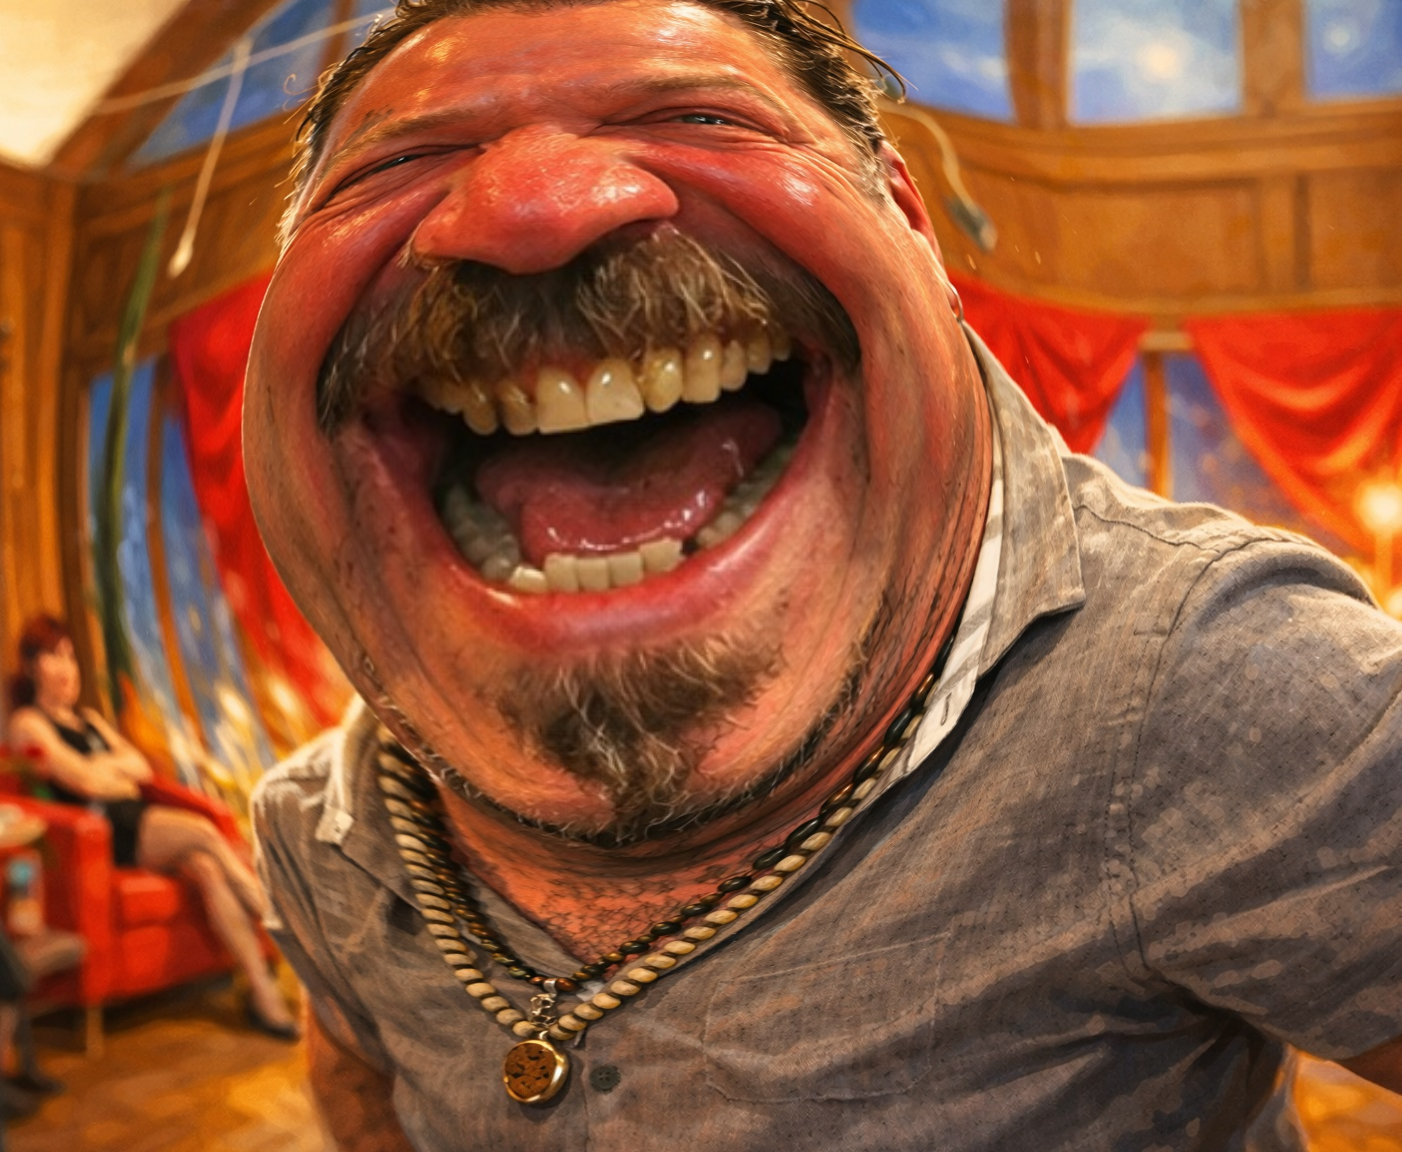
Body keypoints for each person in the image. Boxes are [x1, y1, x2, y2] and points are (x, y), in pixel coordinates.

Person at [243, 0, 1402, 1147]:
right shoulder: (318, 828)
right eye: (396, 164)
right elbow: (361, 1080)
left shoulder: (1225, 689)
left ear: (910, 226)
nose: (533, 206)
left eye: (698, 116)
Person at [5, 616, 297, 1039]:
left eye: (70, 656)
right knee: (204, 833)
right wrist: (107, 772)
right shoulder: (28, 723)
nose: (66, 667)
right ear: (32, 666)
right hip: (104, 833)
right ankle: (276, 917)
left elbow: (139, 768)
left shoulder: (89, 720)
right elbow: (84, 782)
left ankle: (262, 994)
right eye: (53, 656)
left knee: (207, 867)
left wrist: (102, 768)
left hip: (135, 818)